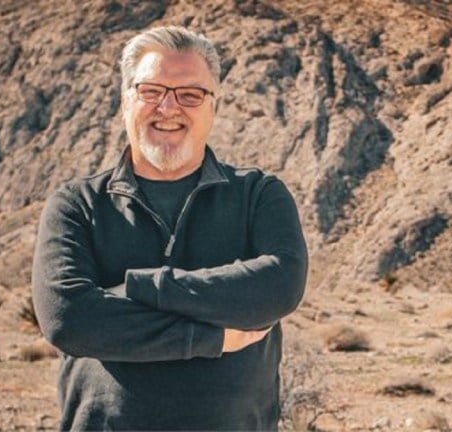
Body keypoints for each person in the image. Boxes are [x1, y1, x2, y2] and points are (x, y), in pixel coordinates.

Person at [31, 25, 308, 431]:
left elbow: (278, 287)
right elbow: (68, 319)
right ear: (125, 100)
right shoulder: (76, 204)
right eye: (151, 91)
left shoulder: (259, 195)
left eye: (190, 94)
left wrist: (136, 289)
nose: (169, 107)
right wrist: (208, 338)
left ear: (213, 105)